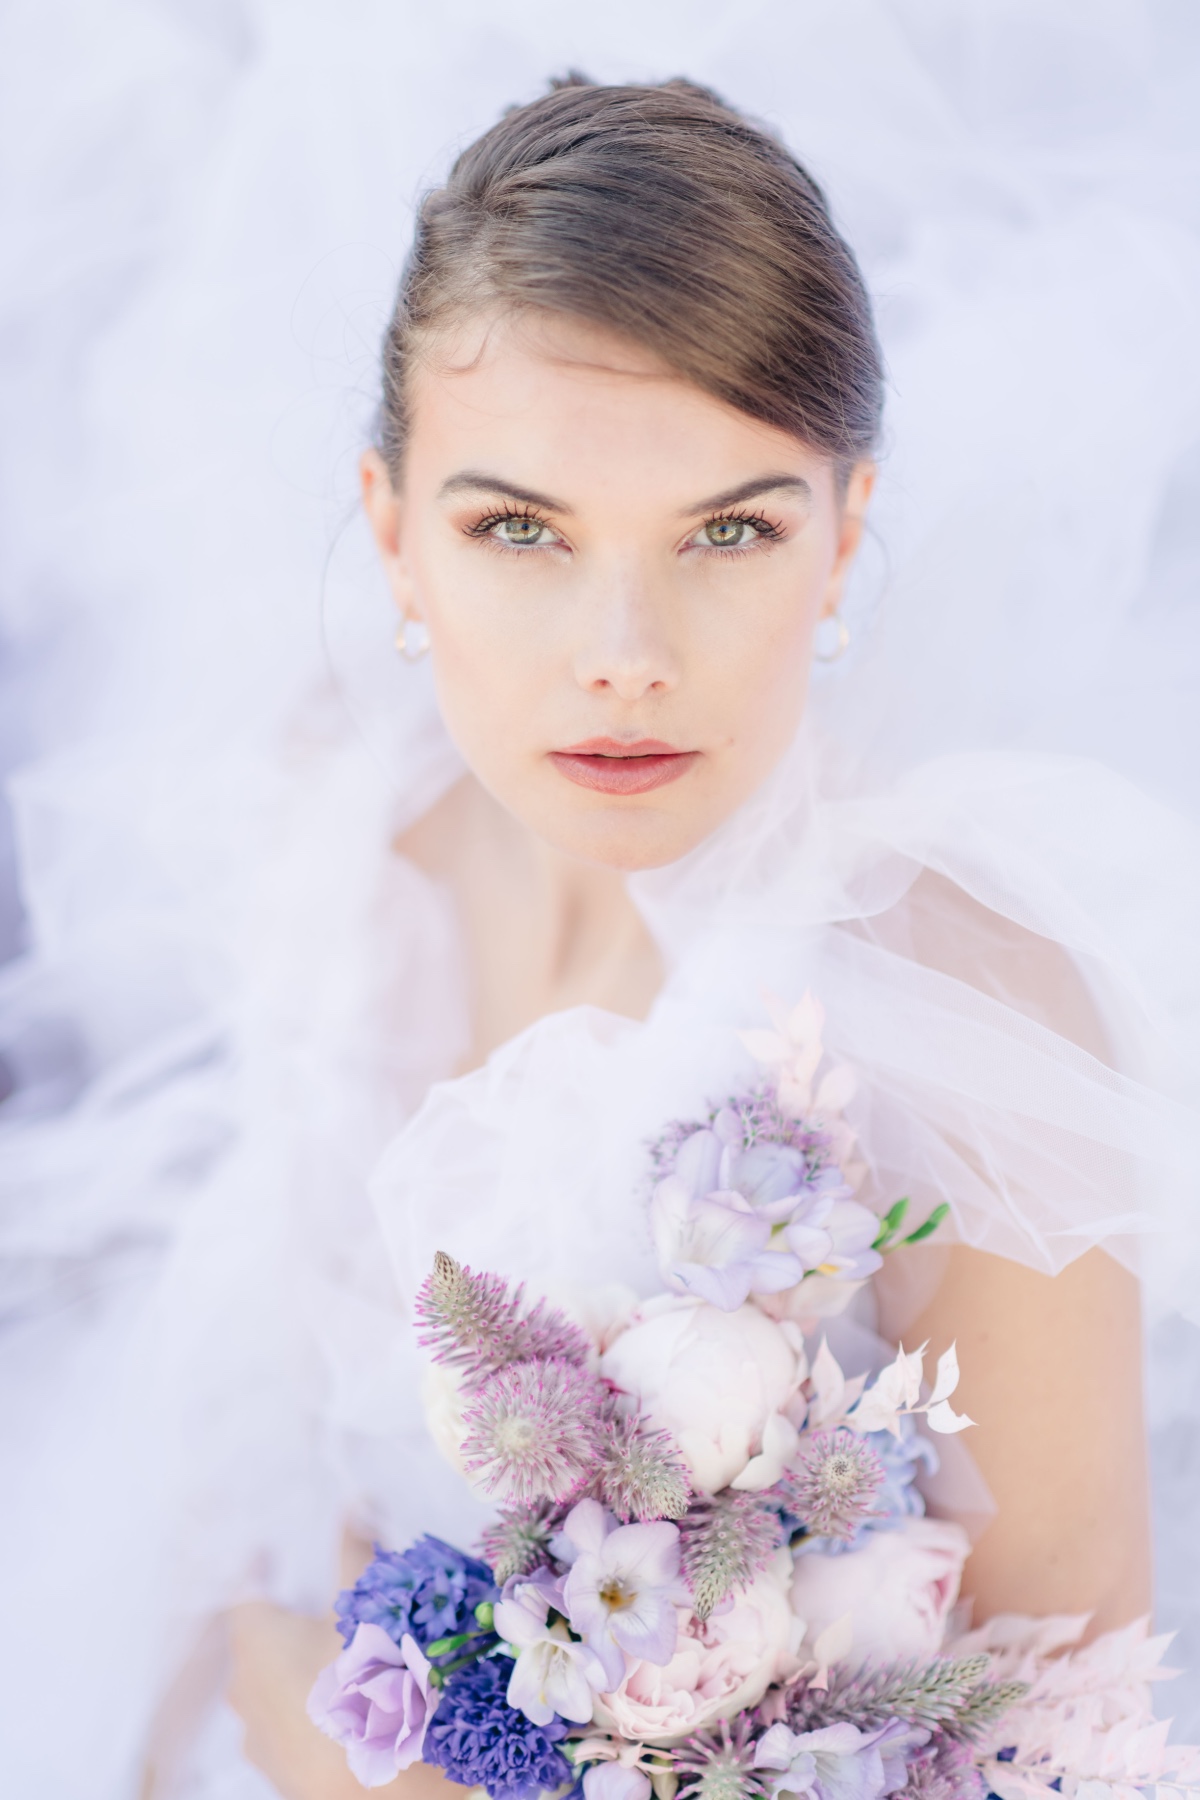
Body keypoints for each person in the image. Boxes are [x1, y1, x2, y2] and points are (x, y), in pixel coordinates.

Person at [3, 60, 1199, 1800]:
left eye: (728, 530)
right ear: (393, 537)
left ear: (846, 532)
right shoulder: (353, 826)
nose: (623, 648)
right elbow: (270, 1415)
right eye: (519, 532)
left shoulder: (964, 998)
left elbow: (1064, 1750)